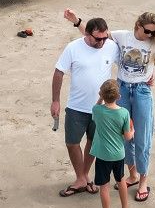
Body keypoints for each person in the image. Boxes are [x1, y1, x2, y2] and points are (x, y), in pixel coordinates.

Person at [64, 8, 155, 202]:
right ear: (138, 26)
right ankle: (132, 175)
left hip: (142, 91)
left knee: (143, 137)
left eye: (153, 32)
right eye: (147, 31)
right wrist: (78, 22)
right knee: (124, 135)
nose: (150, 35)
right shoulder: (122, 37)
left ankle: (143, 180)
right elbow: (97, 37)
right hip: (122, 89)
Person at [51, 17, 118, 197]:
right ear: (87, 34)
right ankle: (82, 178)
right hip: (76, 106)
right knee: (72, 142)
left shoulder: (110, 46)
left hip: (101, 108)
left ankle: (83, 177)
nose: (102, 42)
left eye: (104, 38)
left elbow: (126, 64)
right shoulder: (73, 47)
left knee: (93, 142)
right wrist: (55, 100)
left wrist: (147, 75)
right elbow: (59, 72)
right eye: (98, 39)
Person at [89, 79, 134, 208]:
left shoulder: (98, 111)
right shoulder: (124, 113)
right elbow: (127, 137)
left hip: (103, 155)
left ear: (101, 94)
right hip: (119, 154)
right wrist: (133, 131)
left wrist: (101, 97)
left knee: (104, 186)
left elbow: (95, 108)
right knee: (120, 180)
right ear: (119, 97)